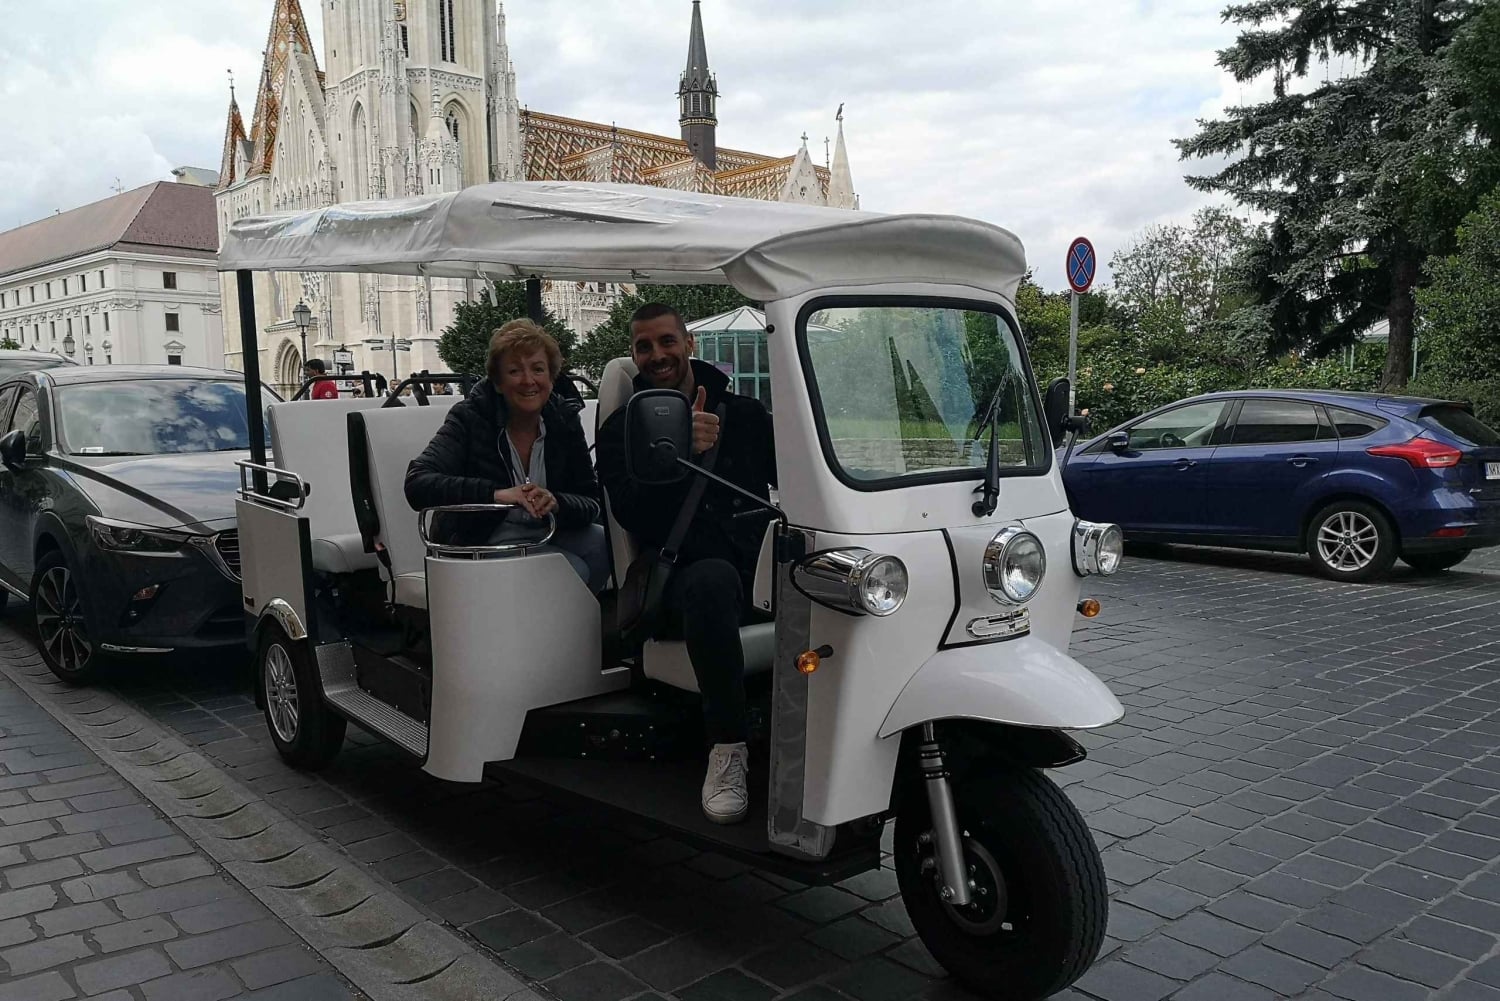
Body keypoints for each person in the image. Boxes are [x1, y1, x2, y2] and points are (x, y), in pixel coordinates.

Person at [595, 303, 776, 825]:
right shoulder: (620, 431)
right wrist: (680, 455)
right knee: (712, 580)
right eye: (644, 346)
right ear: (634, 356)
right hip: (679, 579)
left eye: (667, 341)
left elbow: (794, 477)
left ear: (689, 344)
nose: (657, 355)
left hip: (753, 568)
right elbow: (632, 514)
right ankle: (727, 748)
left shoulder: (743, 414)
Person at [404, 320, 609, 592]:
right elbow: (417, 483)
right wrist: (497, 495)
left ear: (551, 378)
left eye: (538, 369)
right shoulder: (470, 417)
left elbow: (590, 499)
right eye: (514, 371)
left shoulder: (563, 419)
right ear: (498, 382)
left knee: (604, 547)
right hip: (479, 540)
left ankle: (565, 617)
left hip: (544, 531)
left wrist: (556, 502)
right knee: (572, 570)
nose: (528, 380)